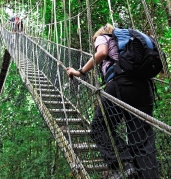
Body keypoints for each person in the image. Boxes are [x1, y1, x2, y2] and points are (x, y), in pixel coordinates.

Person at [66, 24, 159, 179]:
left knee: (98, 127)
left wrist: (79, 72)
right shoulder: (129, 39)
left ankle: (124, 165)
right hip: (145, 87)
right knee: (142, 140)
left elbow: (102, 53)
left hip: (120, 84)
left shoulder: (104, 37)